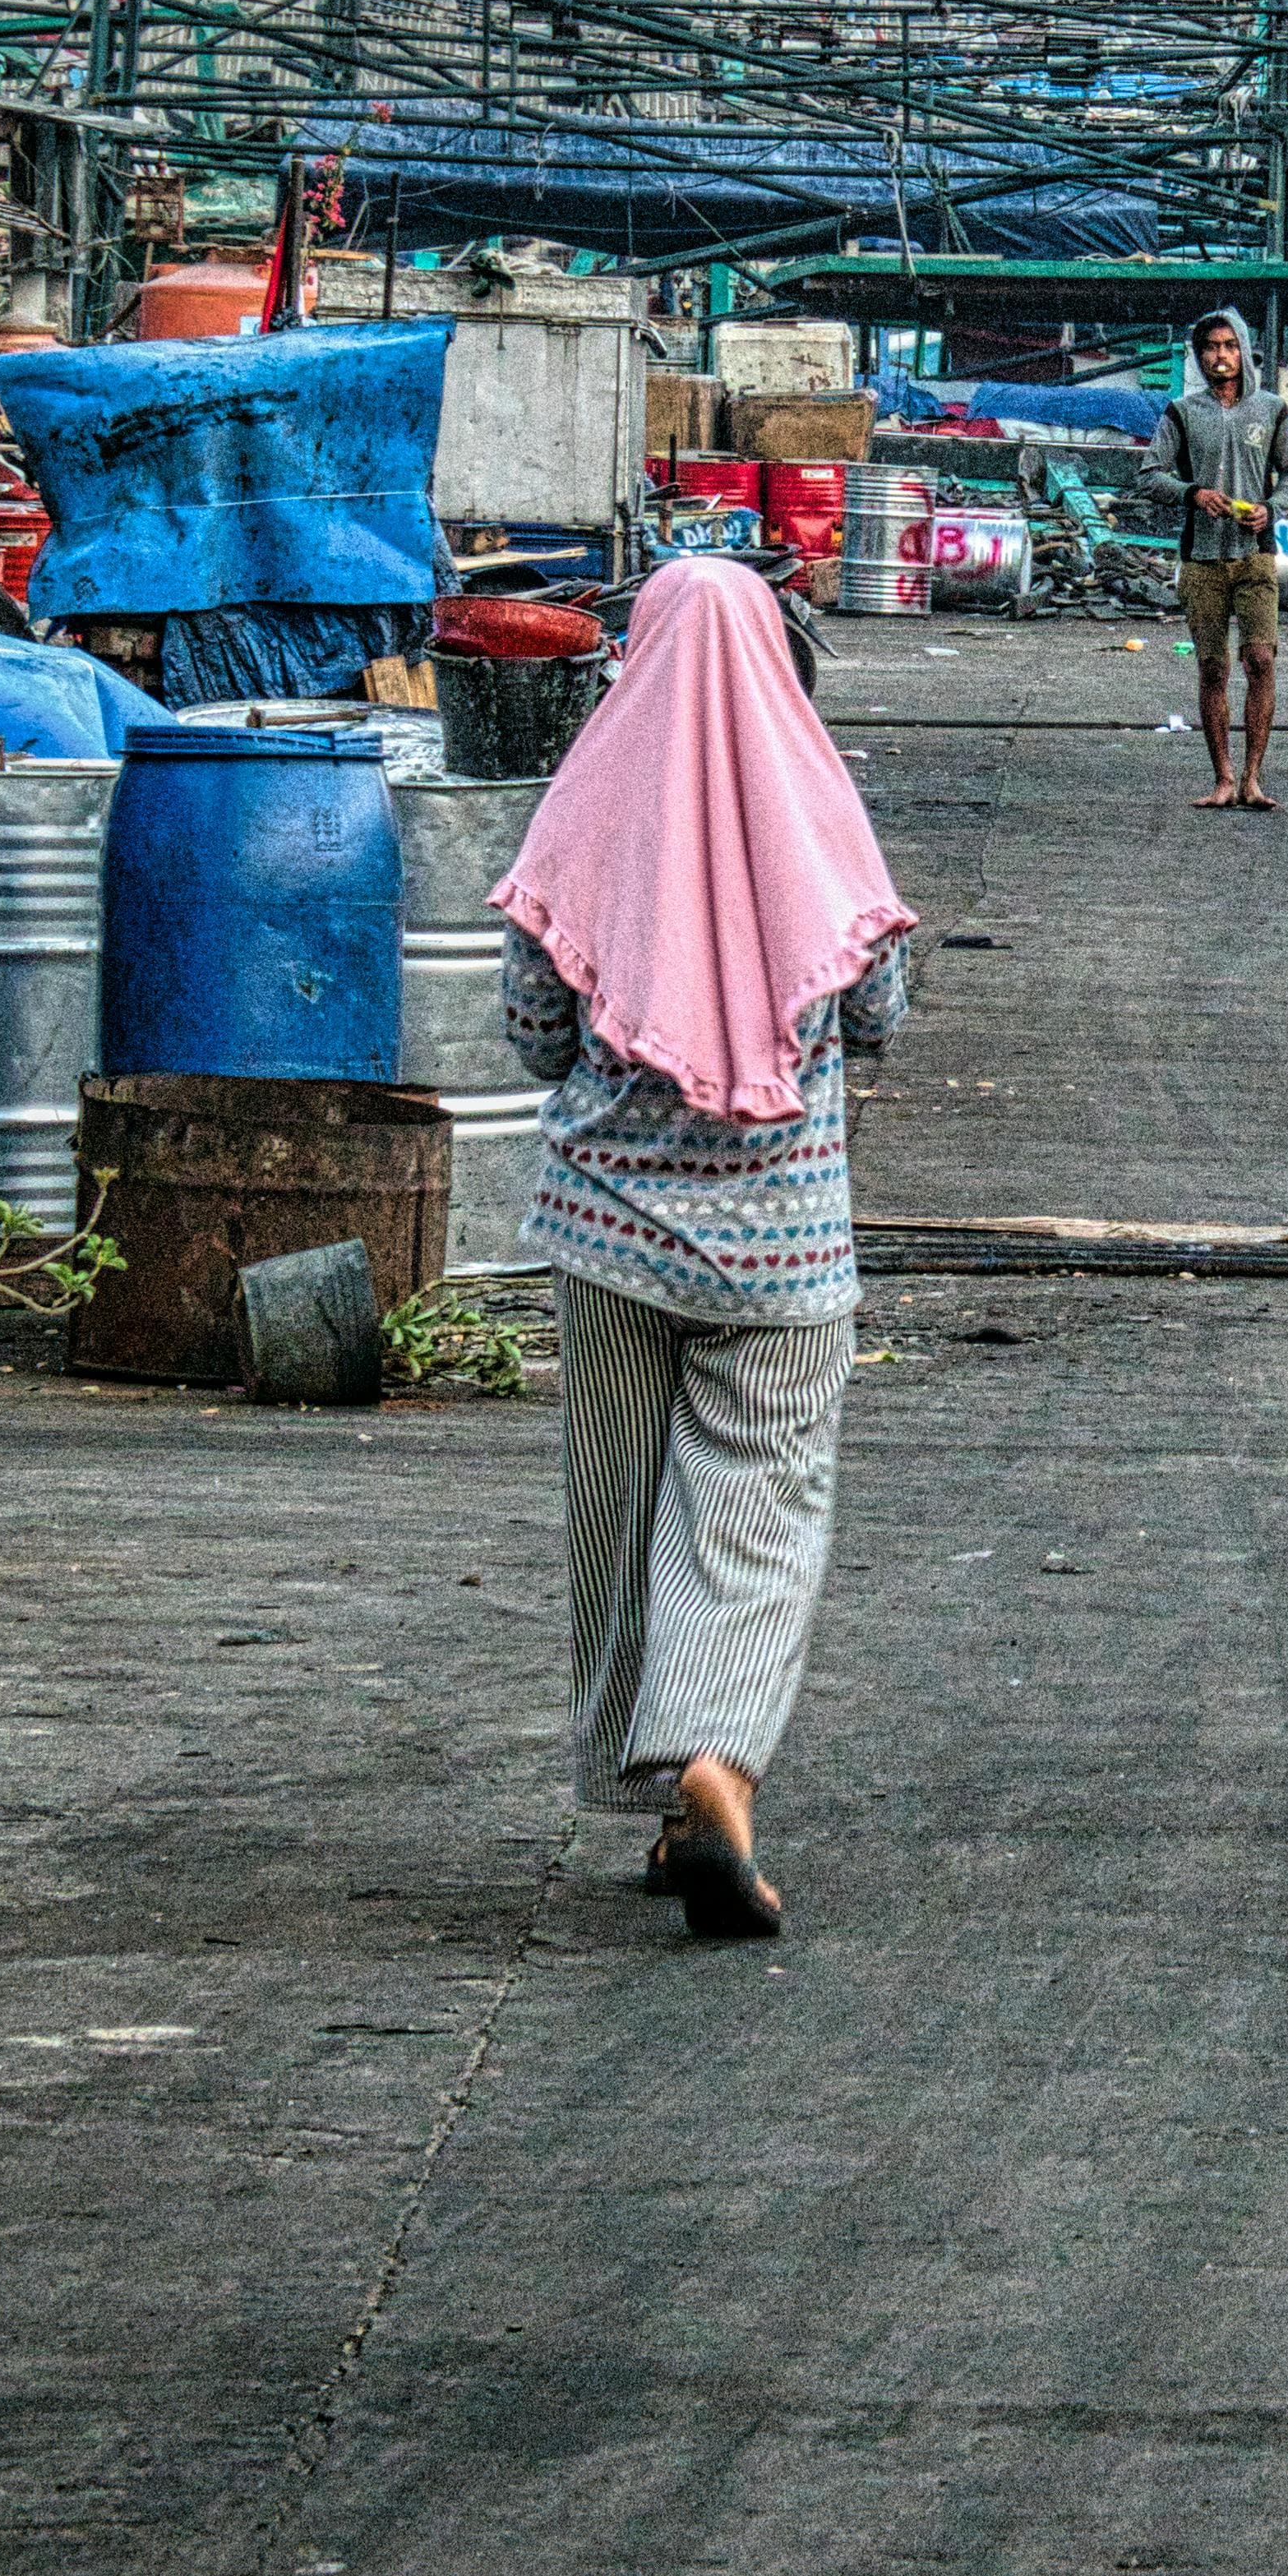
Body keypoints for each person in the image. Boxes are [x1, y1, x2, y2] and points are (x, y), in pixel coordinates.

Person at [493, 556, 915, 1942]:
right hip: (787, 1244)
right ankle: (718, 1767)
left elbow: (537, 1029)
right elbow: (879, 1007)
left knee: (618, 1508)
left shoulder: (589, 799)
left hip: (609, 1235)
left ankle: (662, 1779)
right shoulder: (819, 803)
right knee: (760, 1504)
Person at [1146, 307, 1288, 811]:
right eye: (1211, 347)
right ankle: (1223, 779)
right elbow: (1150, 474)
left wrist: (1271, 509)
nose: (1221, 355)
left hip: (1255, 556)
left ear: (1244, 351)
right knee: (1212, 669)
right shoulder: (1182, 412)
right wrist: (1193, 494)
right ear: (1200, 355)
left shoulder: (1272, 410)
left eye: (1229, 346)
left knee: (1260, 659)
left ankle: (1254, 778)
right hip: (1202, 560)